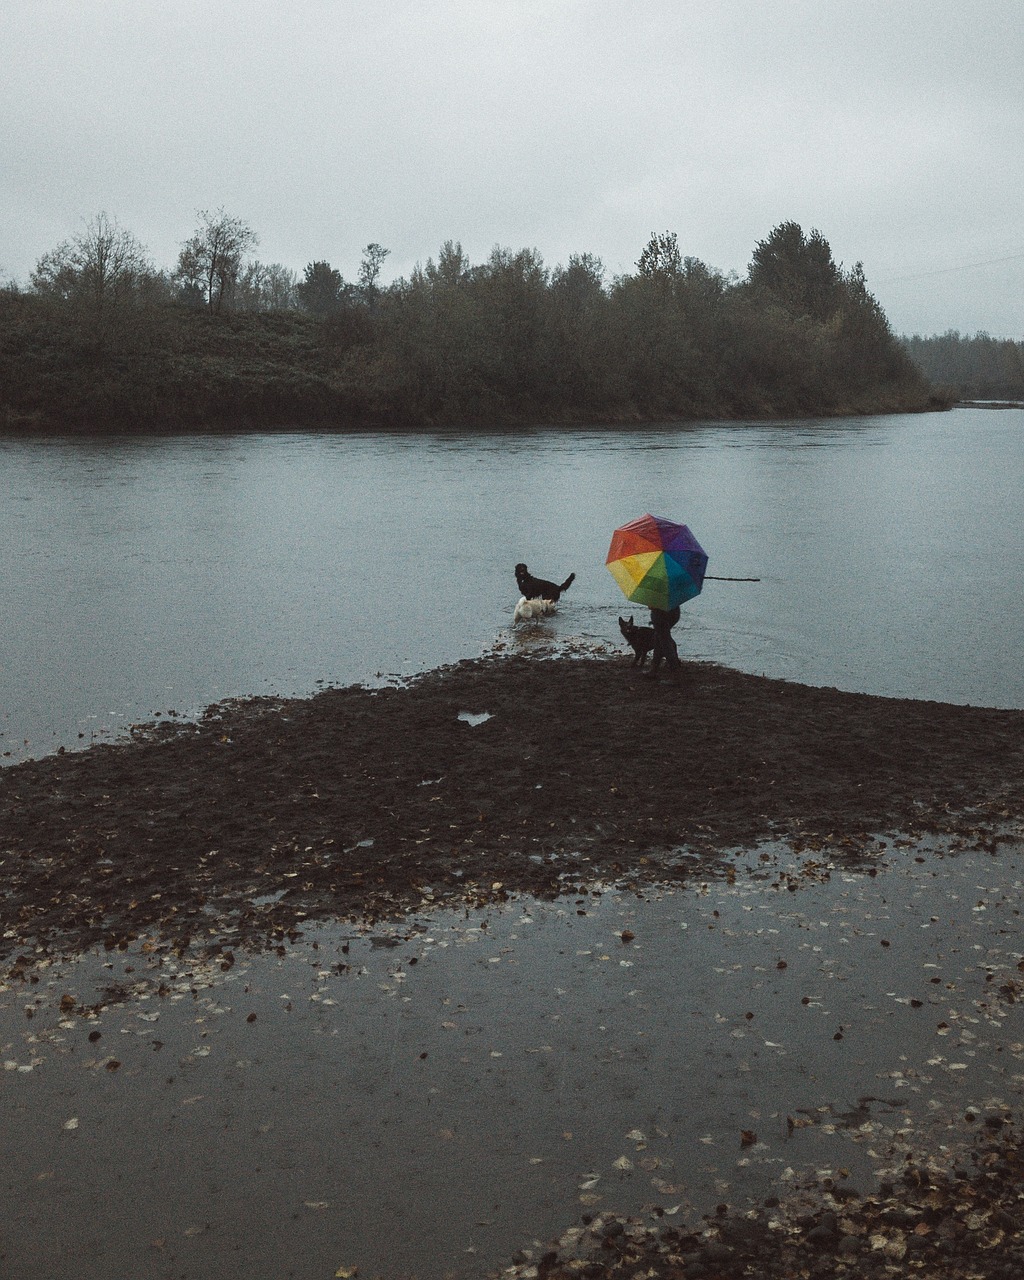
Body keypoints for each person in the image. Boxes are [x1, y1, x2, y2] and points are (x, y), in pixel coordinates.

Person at [648, 604, 681, 675]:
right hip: (674, 612)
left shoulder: (656, 594)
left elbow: (652, 605)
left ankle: (674, 672)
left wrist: (651, 605)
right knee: (658, 637)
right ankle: (654, 669)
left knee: (665, 642)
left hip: (660, 615)